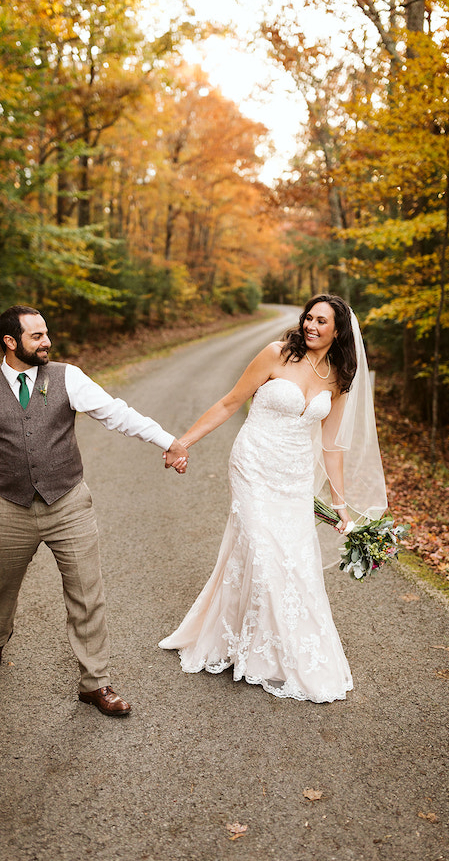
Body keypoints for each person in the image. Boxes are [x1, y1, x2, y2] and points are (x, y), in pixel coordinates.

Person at [0, 305, 189, 716]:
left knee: (87, 594)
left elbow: (117, 414)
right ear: (10, 342)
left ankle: (95, 683)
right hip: (9, 509)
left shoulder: (67, 377)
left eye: (46, 333)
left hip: (68, 503)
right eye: (36, 336)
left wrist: (168, 440)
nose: (46, 341)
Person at [159, 294, 388, 703]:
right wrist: (184, 442)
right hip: (254, 465)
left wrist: (340, 507)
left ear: (339, 333)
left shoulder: (338, 376)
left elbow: (332, 448)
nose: (311, 326)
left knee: (295, 562)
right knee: (263, 554)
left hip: (296, 477)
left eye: (322, 322)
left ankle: (273, 649)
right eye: (309, 318)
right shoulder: (275, 354)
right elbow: (230, 401)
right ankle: (255, 650)